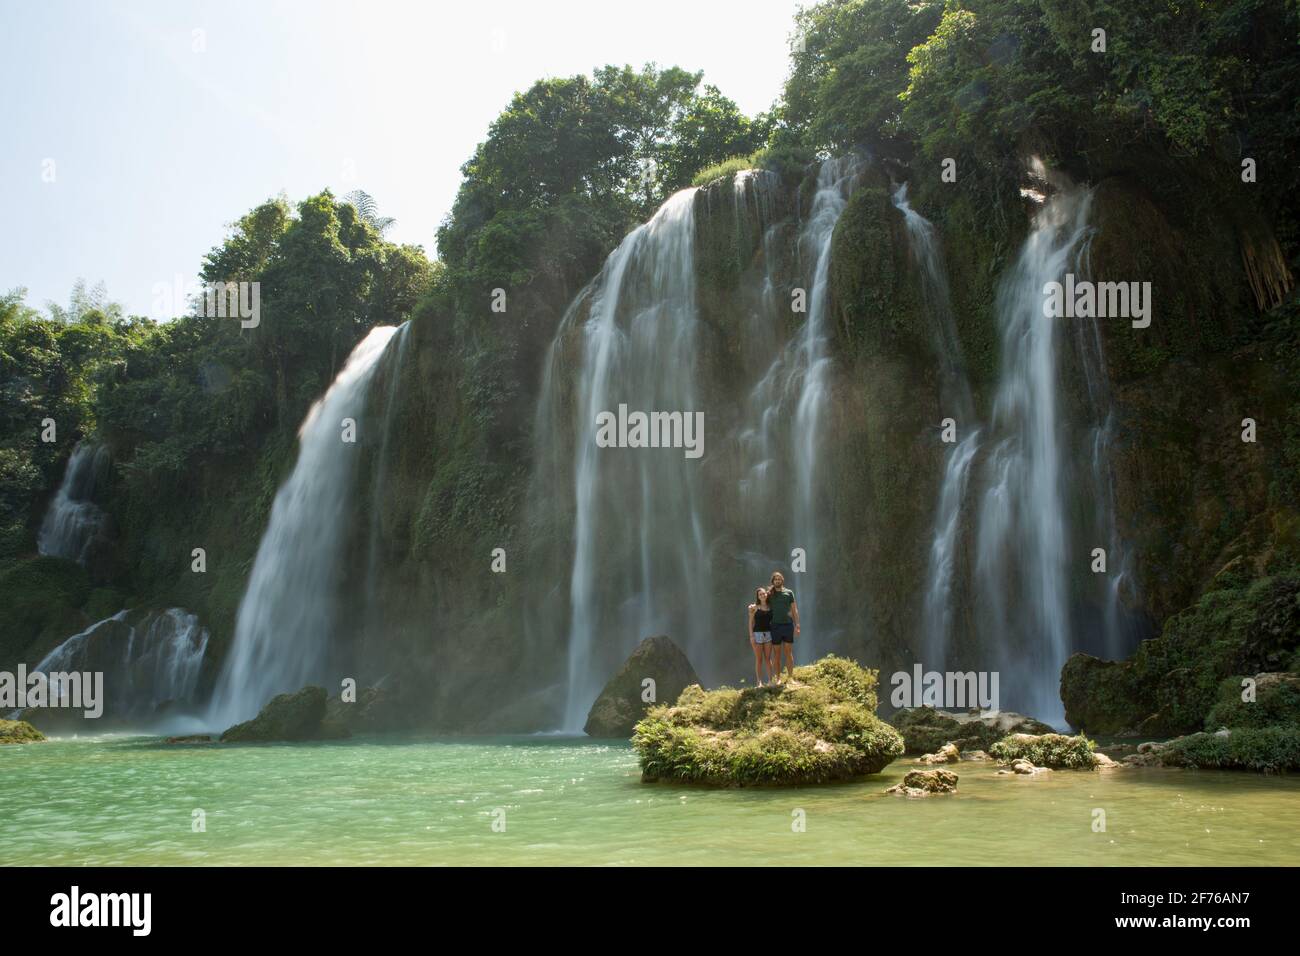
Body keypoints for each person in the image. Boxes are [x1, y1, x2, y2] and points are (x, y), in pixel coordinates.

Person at [766, 571, 799, 683]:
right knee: (777, 654)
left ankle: (790, 678)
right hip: (775, 626)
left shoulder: (789, 593)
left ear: (782, 580)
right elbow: (761, 603)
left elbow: (794, 610)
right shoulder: (769, 594)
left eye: (779, 579)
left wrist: (797, 625)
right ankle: (778, 678)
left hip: (788, 625)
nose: (777, 581)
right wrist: (753, 608)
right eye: (775, 579)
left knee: (789, 653)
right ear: (773, 581)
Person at [747, 586, 775, 686]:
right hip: (757, 635)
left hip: (768, 634)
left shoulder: (770, 607)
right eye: (760, 594)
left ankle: (770, 681)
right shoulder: (754, 607)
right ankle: (759, 682)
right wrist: (751, 636)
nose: (762, 595)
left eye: (764, 594)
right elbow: (750, 622)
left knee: (768, 659)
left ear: (766, 595)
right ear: (758, 597)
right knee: (759, 659)